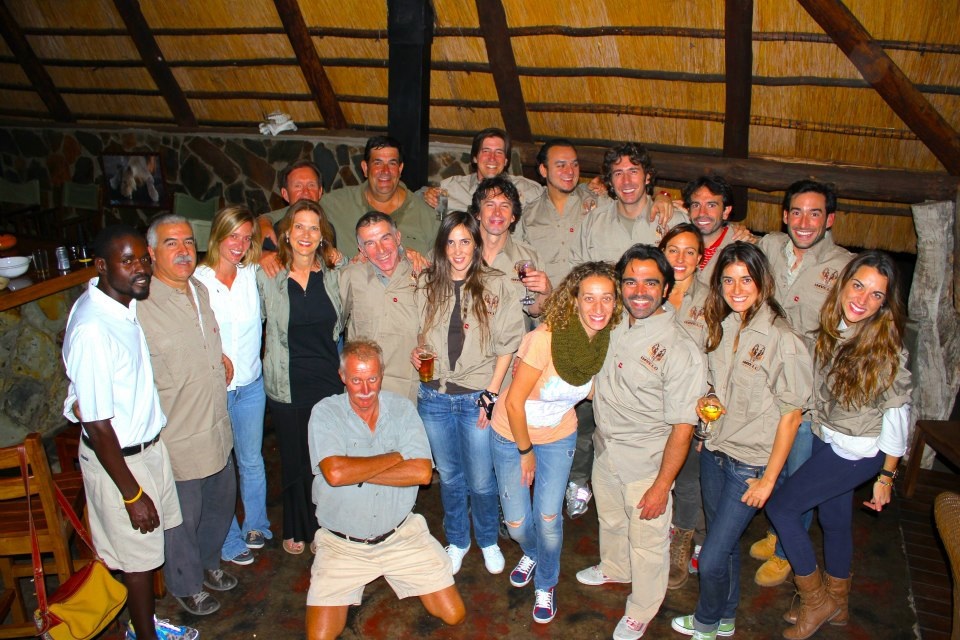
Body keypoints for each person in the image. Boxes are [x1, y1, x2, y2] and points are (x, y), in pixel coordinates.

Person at [765, 251, 911, 639]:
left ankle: (816, 601)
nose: (862, 299)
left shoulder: (885, 349)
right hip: (828, 438)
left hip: (858, 452)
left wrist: (886, 476)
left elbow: (897, 417)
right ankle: (839, 605)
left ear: (885, 304)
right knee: (833, 520)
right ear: (843, 284)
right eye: (858, 286)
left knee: (782, 507)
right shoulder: (834, 328)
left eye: (876, 295)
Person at [671, 242, 813, 640]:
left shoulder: (783, 339)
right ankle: (726, 618)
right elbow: (720, 389)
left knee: (712, 556)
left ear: (762, 282)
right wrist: (708, 411)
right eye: (728, 280)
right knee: (726, 545)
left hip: (749, 467)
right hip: (715, 452)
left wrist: (769, 479)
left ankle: (705, 623)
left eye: (745, 279)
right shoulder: (724, 326)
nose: (736, 288)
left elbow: (792, 415)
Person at [62, 225, 198, 640]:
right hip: (120, 460)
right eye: (128, 261)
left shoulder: (121, 303)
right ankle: (143, 635)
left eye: (143, 258)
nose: (141, 268)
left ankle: (141, 625)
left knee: (144, 554)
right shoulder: (93, 328)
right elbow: (98, 426)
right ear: (102, 265)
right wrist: (132, 494)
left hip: (146, 448)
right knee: (138, 562)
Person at [575, 244, 705, 640]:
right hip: (607, 449)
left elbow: (683, 427)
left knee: (649, 543)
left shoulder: (682, 349)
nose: (639, 291)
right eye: (630, 281)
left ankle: (642, 608)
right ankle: (615, 567)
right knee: (611, 521)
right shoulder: (615, 323)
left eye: (651, 282)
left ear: (666, 289)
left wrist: (661, 487)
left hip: (646, 465)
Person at [305, 340, 465, 640]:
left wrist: (357, 470)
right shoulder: (325, 412)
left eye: (372, 379)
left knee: (454, 615)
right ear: (343, 377)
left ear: (382, 374)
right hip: (343, 544)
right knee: (319, 636)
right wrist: (394, 457)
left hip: (401, 535)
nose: (365, 390)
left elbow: (421, 472)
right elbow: (335, 474)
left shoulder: (402, 408)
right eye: (356, 380)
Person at [491, 261, 621, 623]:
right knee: (518, 523)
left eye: (606, 299)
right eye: (589, 298)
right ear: (574, 300)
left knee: (548, 516)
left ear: (616, 303)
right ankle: (532, 552)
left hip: (558, 435)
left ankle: (546, 583)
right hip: (512, 435)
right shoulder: (545, 340)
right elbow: (514, 402)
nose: (598, 308)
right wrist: (525, 452)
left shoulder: (607, 342)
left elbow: (597, 393)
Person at [563, 142, 688, 519]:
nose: (626, 180)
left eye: (634, 171)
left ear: (649, 178)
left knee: (662, 416)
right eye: (618, 173)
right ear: (608, 181)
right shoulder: (594, 218)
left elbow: (702, 251)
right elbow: (578, 274)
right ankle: (584, 482)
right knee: (591, 410)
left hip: (659, 337)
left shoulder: (670, 216)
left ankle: (661, 495)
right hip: (608, 331)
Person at [751, 180, 855, 587]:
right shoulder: (770, 247)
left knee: (798, 471)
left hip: (808, 392)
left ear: (829, 219)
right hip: (764, 380)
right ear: (784, 215)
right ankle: (777, 531)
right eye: (796, 212)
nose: (804, 222)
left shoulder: (847, 266)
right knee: (769, 461)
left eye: (815, 213)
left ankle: (786, 552)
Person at [413, 210, 525, 576]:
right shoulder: (427, 283)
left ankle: (488, 539)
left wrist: (492, 394)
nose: (458, 250)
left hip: (476, 395)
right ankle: (458, 540)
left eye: (465, 241)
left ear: (476, 244)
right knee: (449, 475)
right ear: (441, 247)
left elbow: (509, 344)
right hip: (434, 397)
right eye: (451, 242)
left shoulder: (498, 285)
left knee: (480, 477)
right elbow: (418, 331)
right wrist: (417, 349)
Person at [137, 215, 237, 616]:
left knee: (220, 503)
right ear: (151, 253)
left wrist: (219, 356)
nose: (182, 251)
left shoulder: (199, 288)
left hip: (215, 421)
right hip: (178, 432)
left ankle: (209, 564)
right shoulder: (140, 304)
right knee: (182, 516)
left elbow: (199, 339)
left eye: (187, 242)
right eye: (170, 243)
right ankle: (185, 583)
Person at [258, 199, 345, 555]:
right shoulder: (268, 276)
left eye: (314, 228)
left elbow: (374, 263)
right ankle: (296, 525)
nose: (306, 235)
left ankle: (325, 525)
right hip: (287, 381)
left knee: (323, 457)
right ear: (287, 235)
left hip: (327, 380)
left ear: (322, 236)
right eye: (299, 227)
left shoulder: (336, 274)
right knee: (293, 457)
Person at [195, 205, 271, 566]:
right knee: (220, 467)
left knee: (252, 460)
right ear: (217, 235)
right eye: (233, 235)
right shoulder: (197, 280)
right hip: (215, 390)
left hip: (251, 384)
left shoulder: (252, 274)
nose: (239, 243)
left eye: (246, 236)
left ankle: (257, 525)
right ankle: (227, 539)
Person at [658, 223, 709, 590]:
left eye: (689, 251)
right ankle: (651, 538)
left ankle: (681, 543)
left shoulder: (712, 300)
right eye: (673, 249)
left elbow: (719, 364)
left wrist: (707, 423)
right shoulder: (648, 291)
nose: (680, 258)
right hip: (648, 404)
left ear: (700, 259)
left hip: (689, 407)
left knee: (687, 479)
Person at [339, 211, 420, 401]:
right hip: (362, 389)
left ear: (398, 237)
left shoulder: (423, 273)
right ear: (361, 249)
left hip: (408, 391)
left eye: (386, 238)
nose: (381, 250)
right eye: (370, 243)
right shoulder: (350, 276)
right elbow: (332, 325)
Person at [321, 136, 439, 259]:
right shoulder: (335, 204)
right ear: (365, 168)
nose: (385, 170)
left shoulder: (427, 215)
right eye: (378, 163)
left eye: (392, 163)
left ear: (400, 169)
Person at [516, 139, 599, 288]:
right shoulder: (528, 215)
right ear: (543, 170)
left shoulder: (597, 204)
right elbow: (517, 260)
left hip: (589, 304)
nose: (570, 171)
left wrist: (657, 198)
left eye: (574, 164)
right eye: (561, 165)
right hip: (546, 306)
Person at [470, 175, 552, 318]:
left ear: (513, 216)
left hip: (511, 339)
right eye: (490, 205)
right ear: (478, 213)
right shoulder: (458, 251)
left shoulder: (528, 257)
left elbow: (534, 310)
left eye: (505, 206)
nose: (497, 213)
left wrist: (546, 292)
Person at [421, 127, 543, 213]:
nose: (492, 158)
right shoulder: (451, 189)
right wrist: (426, 193)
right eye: (486, 151)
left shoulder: (527, 190)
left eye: (498, 152)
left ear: (506, 161)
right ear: (475, 157)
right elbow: (437, 223)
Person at [258, 159, 324, 275]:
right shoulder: (273, 233)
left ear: (320, 192)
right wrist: (260, 255)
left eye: (311, 185)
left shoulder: (328, 229)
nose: (305, 192)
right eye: (298, 186)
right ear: (285, 194)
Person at [679, 176, 741, 284]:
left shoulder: (742, 250)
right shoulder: (678, 245)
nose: (702, 213)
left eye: (711, 205)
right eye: (696, 205)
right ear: (688, 211)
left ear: (726, 211)